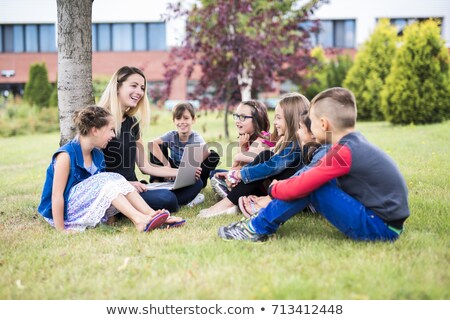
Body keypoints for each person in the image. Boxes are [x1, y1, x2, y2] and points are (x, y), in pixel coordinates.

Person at [218, 87, 410, 242]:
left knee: (310, 187)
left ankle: (255, 228)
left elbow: (304, 183)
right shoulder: (353, 143)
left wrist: (275, 189)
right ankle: (257, 223)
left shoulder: (342, 152)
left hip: (379, 227)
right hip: (384, 222)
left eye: (311, 120)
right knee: (311, 183)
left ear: (324, 124)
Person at [37, 106, 182, 233]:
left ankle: (151, 215)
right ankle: (139, 220)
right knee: (107, 177)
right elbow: (56, 196)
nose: (113, 135)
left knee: (116, 178)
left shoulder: (98, 155)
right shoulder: (66, 156)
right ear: (95, 130)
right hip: (62, 213)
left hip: (83, 204)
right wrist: (61, 229)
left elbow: (105, 190)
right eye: (111, 130)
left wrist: (112, 213)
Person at [98, 66, 202, 213]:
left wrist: (181, 172)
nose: (139, 92)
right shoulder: (99, 120)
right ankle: (127, 208)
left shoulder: (132, 123)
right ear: (117, 87)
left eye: (142, 88)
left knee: (196, 182)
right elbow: (93, 173)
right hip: (117, 191)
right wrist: (126, 184)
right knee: (167, 199)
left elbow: (145, 166)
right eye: (133, 86)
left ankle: (163, 200)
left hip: (135, 188)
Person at [199, 93, 309, 218]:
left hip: (297, 198)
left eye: (278, 118)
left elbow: (271, 166)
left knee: (265, 156)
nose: (275, 122)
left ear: (290, 119)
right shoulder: (289, 142)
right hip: (281, 189)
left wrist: (238, 174)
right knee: (263, 159)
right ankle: (236, 200)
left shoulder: (295, 145)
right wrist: (237, 173)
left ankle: (228, 202)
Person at [238, 112, 328, 217]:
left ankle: (266, 206)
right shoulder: (313, 149)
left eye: (300, 128)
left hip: (312, 202)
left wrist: (275, 192)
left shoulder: (322, 151)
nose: (297, 132)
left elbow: (305, 177)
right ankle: (268, 200)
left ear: (312, 133)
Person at [148, 101, 220, 206]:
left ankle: (194, 186)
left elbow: (207, 151)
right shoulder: (171, 135)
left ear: (193, 120)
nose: (182, 122)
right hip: (172, 169)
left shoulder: (196, 137)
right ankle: (156, 182)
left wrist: (193, 166)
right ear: (174, 121)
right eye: (178, 118)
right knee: (158, 146)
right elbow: (151, 144)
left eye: (186, 118)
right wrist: (166, 165)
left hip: (190, 172)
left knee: (213, 156)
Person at [209, 99, 276, 199]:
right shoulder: (247, 138)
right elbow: (239, 167)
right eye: (236, 116)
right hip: (247, 176)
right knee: (215, 173)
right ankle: (228, 190)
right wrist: (242, 147)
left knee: (225, 176)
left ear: (256, 119)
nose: (237, 121)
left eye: (243, 117)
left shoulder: (262, 139)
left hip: (261, 186)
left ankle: (230, 195)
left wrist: (239, 151)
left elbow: (244, 168)